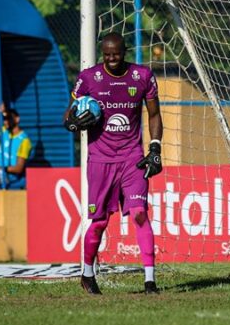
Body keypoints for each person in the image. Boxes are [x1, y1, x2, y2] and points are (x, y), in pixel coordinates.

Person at [63, 32, 163, 295]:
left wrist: (155, 148)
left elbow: (154, 114)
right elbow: (68, 116)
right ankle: (86, 274)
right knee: (99, 222)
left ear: (124, 51)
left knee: (140, 213)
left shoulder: (142, 77)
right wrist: (73, 121)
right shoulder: (88, 79)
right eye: (106, 55)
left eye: (115, 54)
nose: (111, 59)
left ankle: (150, 281)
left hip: (132, 158)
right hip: (100, 160)